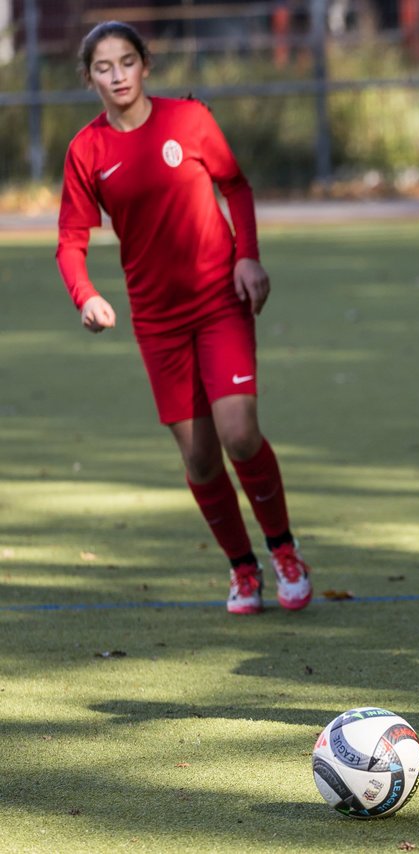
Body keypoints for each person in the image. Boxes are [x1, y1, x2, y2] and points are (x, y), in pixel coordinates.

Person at [55, 21, 313, 615]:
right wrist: (85, 295)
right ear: (89, 78)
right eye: (103, 67)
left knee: (239, 434)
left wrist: (248, 257)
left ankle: (284, 551)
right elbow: (70, 240)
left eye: (127, 62)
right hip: (157, 319)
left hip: (220, 300)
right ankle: (242, 568)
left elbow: (236, 186)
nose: (118, 76)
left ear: (145, 64)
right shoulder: (86, 151)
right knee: (199, 456)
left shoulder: (189, 120)